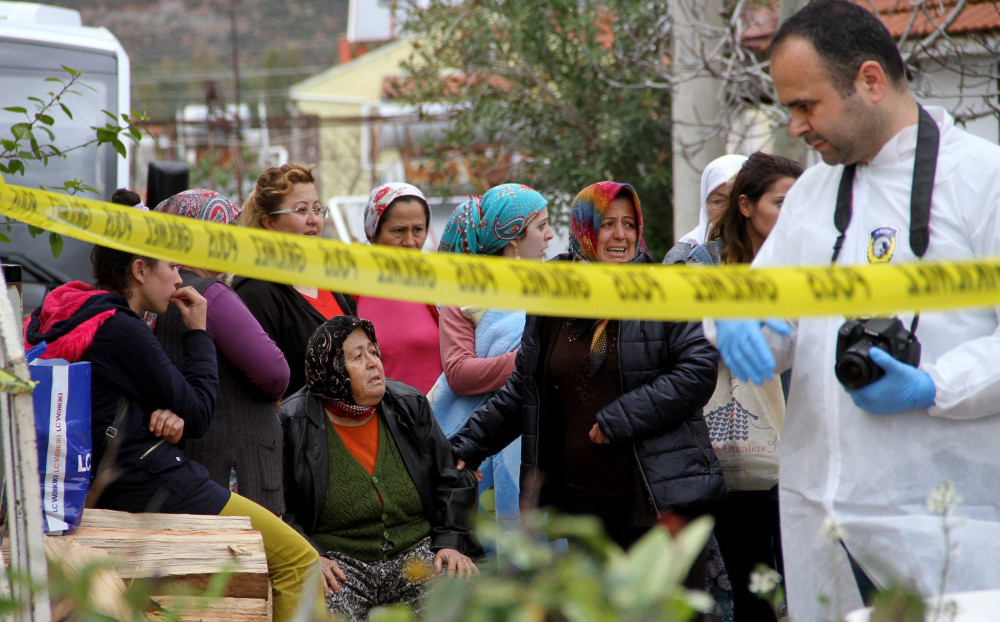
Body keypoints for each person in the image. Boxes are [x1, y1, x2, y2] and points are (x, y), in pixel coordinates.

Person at [712, 1, 1000, 620]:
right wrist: (748, 324)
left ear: (870, 81)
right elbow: (769, 309)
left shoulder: (983, 181)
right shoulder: (814, 193)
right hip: (822, 515)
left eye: (805, 105)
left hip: (947, 517)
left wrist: (935, 385)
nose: (794, 127)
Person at [24, 246, 322, 621]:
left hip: (104, 482)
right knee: (301, 561)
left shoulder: (71, 312)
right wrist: (198, 332)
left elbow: (113, 394)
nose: (180, 279)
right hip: (153, 480)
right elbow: (197, 413)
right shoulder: (121, 328)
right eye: (173, 267)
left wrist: (162, 413)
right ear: (139, 270)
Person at [450, 181, 725, 555]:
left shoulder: (665, 290)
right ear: (583, 229)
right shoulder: (552, 297)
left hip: (657, 500)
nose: (620, 235)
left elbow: (696, 372)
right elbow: (525, 389)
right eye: (607, 223)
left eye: (629, 224)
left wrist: (621, 417)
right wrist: (468, 445)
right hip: (583, 506)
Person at [280, 315, 482, 621]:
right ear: (330, 368)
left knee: (455, 600)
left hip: (416, 553)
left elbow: (450, 479)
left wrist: (450, 543)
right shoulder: (293, 422)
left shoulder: (409, 405)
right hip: (340, 563)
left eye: (374, 352)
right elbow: (278, 505)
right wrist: (310, 553)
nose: (373, 363)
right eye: (357, 357)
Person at [688, 152, 803, 622]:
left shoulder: (812, 263)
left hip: (803, 445)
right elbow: (681, 355)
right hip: (735, 455)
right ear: (745, 205)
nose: (792, 216)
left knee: (807, 584)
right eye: (781, 203)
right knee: (752, 586)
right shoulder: (704, 266)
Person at [152, 189, 290, 515]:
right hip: (233, 465)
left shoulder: (162, 289)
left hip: (194, 460)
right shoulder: (209, 293)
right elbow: (274, 371)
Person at [429, 182, 554, 531]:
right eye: (541, 226)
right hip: (481, 442)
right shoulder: (465, 292)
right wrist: (530, 360)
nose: (550, 235)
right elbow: (457, 372)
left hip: (543, 437)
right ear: (513, 237)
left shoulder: (555, 288)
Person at [232, 163, 356, 399]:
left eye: (317, 209)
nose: (314, 220)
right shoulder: (255, 290)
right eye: (301, 210)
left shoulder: (334, 280)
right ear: (269, 223)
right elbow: (263, 381)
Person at [355, 183, 442, 393]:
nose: (410, 241)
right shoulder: (349, 290)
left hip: (444, 422)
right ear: (373, 232)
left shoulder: (439, 284)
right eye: (398, 231)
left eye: (418, 230)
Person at [663, 154, 748, 264]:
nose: (729, 210)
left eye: (736, 200)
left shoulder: (768, 247)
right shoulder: (684, 255)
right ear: (705, 204)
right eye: (718, 201)